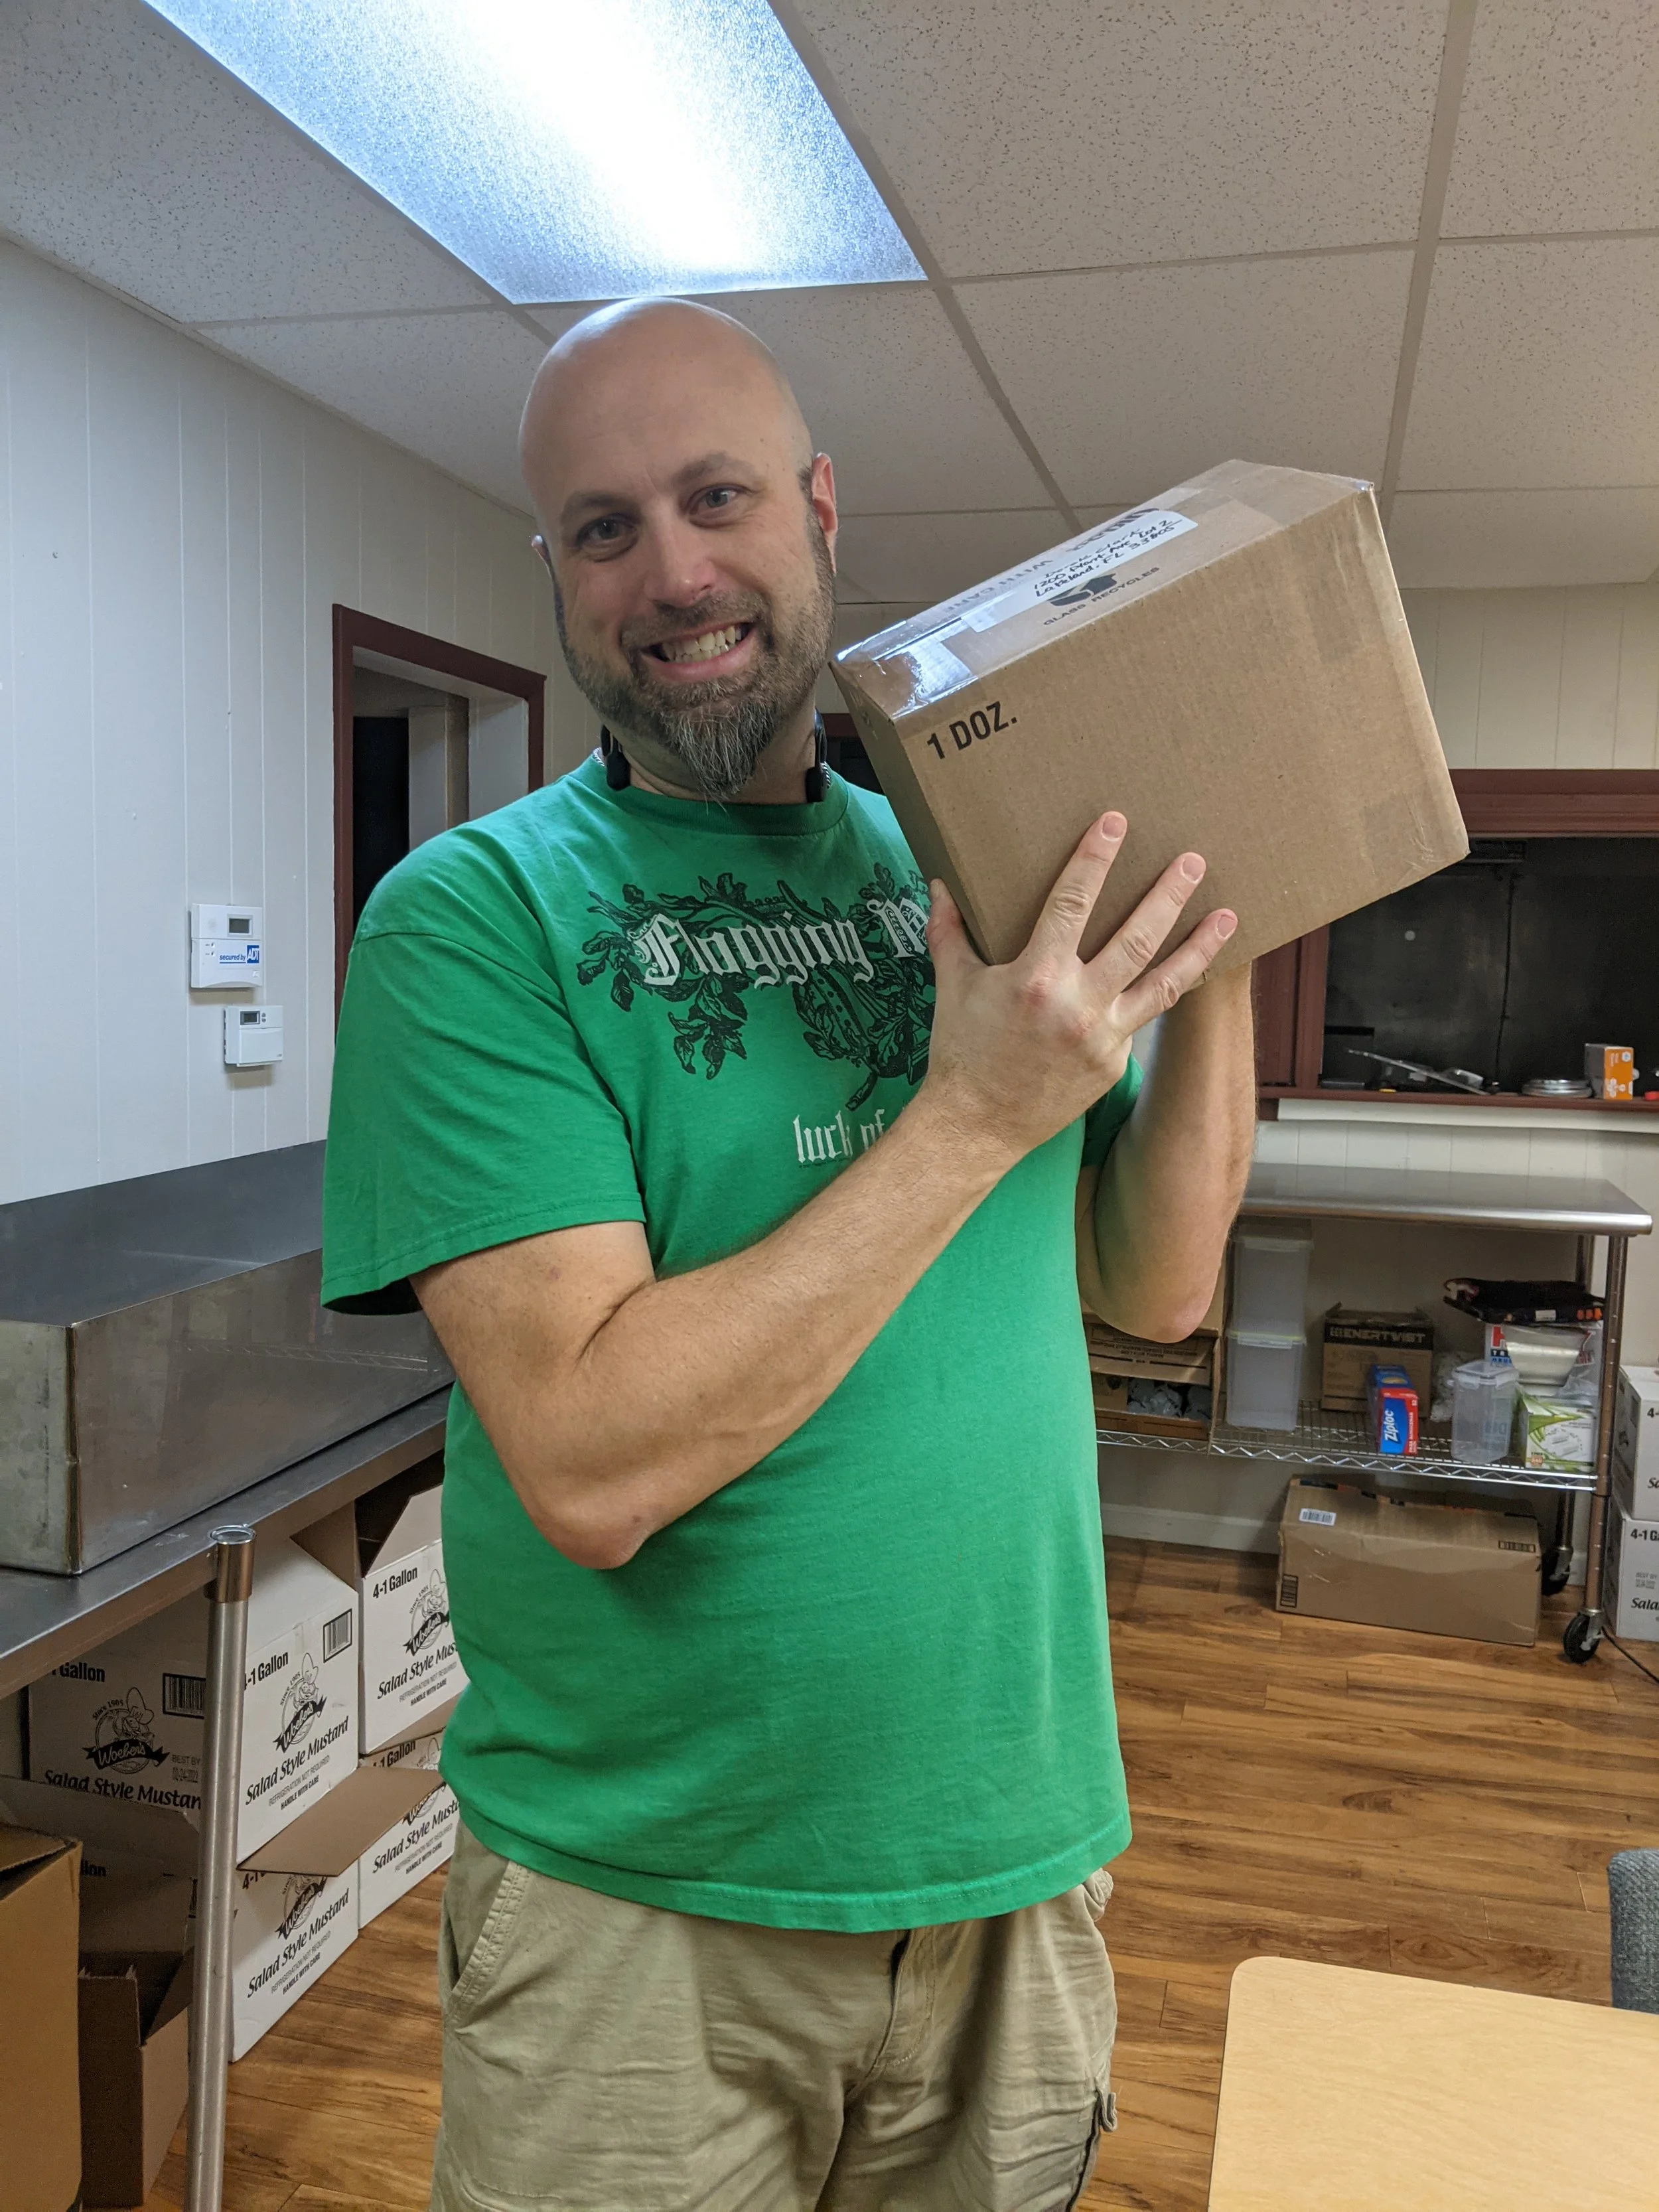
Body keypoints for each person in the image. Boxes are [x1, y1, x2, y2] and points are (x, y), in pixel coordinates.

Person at [322, 297, 1256, 2211]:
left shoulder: (963, 859)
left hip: (1010, 1855)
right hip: (639, 1913)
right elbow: (586, 1459)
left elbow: (1153, 1283)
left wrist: (1220, 917)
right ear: (559, 572)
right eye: (600, 527)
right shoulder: (475, 920)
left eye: (715, 496)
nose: (670, 573)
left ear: (820, 508)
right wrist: (972, 1110)